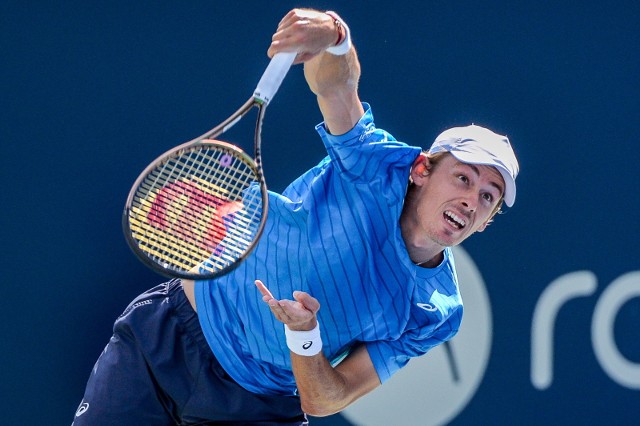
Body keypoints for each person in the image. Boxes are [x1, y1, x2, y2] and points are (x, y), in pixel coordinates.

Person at [74, 8, 519, 426]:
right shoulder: (376, 166)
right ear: (421, 170)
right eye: (463, 178)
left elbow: (328, 398)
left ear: (487, 220)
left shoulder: (436, 311)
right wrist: (333, 35)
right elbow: (337, 88)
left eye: (487, 197)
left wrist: (304, 336)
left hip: (259, 405)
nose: (471, 200)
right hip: (166, 339)